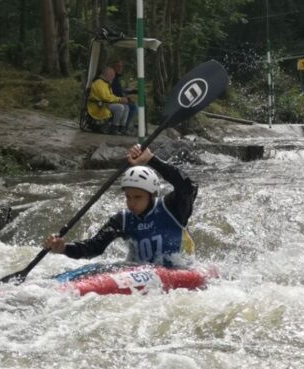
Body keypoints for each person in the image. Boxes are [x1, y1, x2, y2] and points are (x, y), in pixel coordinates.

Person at [44, 144, 197, 267]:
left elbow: (188, 187)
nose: (131, 203)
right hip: (142, 274)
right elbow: (94, 247)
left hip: (181, 271)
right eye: (128, 197)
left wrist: (151, 159)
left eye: (138, 197)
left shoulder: (172, 209)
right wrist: (63, 248)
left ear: (151, 195)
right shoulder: (123, 220)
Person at [87, 66, 129, 134]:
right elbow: (105, 97)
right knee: (120, 107)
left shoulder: (105, 83)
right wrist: (119, 99)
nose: (113, 77)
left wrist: (120, 99)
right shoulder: (99, 82)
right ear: (106, 74)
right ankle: (114, 127)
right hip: (99, 105)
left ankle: (122, 127)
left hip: (105, 103)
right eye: (111, 75)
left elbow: (110, 96)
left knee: (126, 107)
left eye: (113, 75)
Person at [110, 60, 138, 134]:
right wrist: (125, 98)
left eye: (121, 66)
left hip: (118, 98)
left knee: (132, 104)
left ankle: (123, 126)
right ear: (113, 67)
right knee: (133, 107)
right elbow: (114, 91)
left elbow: (119, 89)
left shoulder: (117, 77)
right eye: (118, 66)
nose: (120, 68)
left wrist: (129, 91)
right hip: (114, 100)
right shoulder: (112, 77)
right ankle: (124, 127)